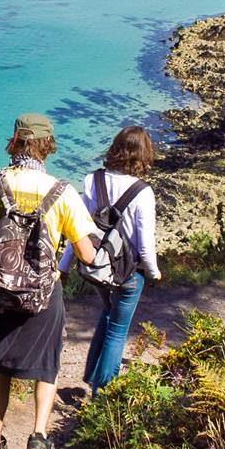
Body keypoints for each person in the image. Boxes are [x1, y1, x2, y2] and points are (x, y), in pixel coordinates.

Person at [0, 112, 96, 449]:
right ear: (47, 145)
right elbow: (87, 254)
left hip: (0, 293)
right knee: (48, 367)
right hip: (45, 296)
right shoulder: (63, 192)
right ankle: (39, 436)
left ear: (14, 142)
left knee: (1, 369)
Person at [63, 125, 161, 396]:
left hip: (98, 267)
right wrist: (154, 272)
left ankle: (92, 374)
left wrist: (63, 266)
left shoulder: (92, 181)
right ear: (143, 155)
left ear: (116, 148)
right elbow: (145, 243)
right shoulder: (143, 192)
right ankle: (102, 394)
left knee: (108, 312)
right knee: (118, 330)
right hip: (128, 272)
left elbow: (78, 229)